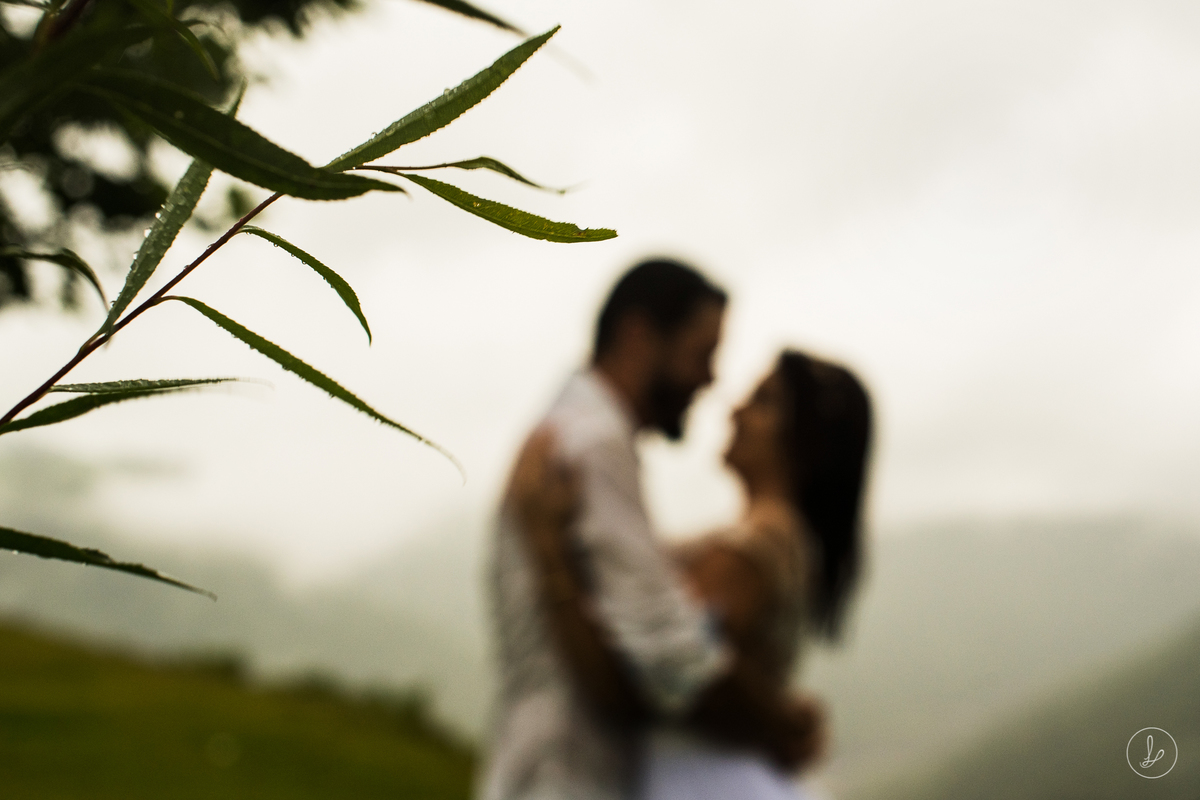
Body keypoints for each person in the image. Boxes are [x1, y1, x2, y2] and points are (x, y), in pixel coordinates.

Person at [480, 260, 824, 800]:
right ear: (639, 336)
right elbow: (671, 659)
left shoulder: (574, 431)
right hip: (568, 775)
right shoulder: (592, 446)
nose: (711, 379)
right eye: (702, 354)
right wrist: (778, 724)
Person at [510, 349, 873, 800]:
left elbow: (652, 678)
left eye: (762, 401)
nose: (736, 409)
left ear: (805, 439)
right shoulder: (784, 545)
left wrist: (549, 551)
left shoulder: (753, 553)